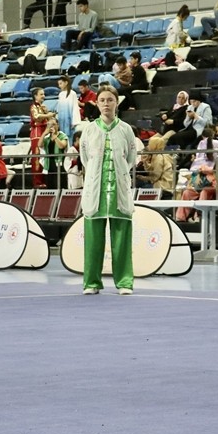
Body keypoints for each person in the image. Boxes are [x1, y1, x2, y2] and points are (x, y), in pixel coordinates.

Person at [79, 85, 138, 295]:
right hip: (95, 190)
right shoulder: (89, 129)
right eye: (102, 100)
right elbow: (85, 158)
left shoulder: (126, 129)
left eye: (110, 100)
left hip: (119, 190)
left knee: (122, 238)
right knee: (93, 240)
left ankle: (124, 282)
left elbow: (131, 158)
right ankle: (91, 283)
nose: (106, 104)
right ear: (97, 103)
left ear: (116, 103)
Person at [29, 87, 54, 187]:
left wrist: (48, 114)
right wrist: (47, 115)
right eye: (41, 94)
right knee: (37, 157)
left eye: (43, 94)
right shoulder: (33, 107)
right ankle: (37, 182)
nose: (43, 96)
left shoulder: (42, 107)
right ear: (35, 96)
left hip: (44, 131)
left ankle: (43, 180)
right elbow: (36, 117)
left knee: (44, 157)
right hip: (37, 133)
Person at [140, 135, 176, 199]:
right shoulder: (157, 155)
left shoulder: (159, 157)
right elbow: (152, 169)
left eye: (150, 144)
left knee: (139, 184)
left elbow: (155, 177)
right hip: (163, 185)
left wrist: (144, 178)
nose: (148, 146)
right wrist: (145, 162)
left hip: (163, 186)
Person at [39, 114, 70, 189]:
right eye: (49, 125)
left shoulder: (62, 135)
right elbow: (40, 144)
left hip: (59, 165)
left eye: (53, 124)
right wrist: (44, 133)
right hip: (49, 164)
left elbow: (62, 145)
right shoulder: (47, 137)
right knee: (50, 187)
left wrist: (55, 136)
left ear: (57, 125)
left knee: (60, 186)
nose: (51, 126)